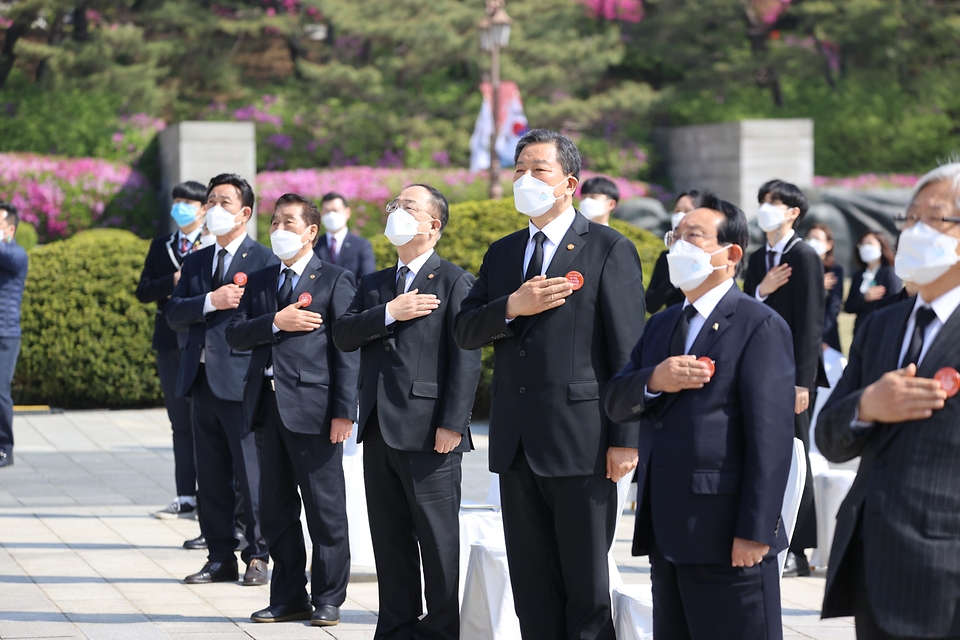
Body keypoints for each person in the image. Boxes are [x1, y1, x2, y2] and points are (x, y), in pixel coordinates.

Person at [454, 129, 645, 640]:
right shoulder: (503, 252)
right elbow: (465, 329)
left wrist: (626, 440)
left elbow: (629, 353)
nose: (526, 179)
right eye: (519, 170)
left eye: (538, 170)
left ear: (570, 184)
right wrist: (513, 306)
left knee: (585, 587)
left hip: (583, 442)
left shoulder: (608, 248)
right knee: (532, 587)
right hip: (515, 443)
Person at [604, 193, 795, 640]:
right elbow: (616, 399)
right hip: (666, 529)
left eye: (693, 237)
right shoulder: (663, 324)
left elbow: (771, 440)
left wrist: (755, 529)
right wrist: (656, 379)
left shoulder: (758, 325)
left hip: (728, 532)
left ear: (730, 254)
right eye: (675, 237)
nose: (678, 247)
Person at [816, 162, 960, 639]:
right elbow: (830, 437)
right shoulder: (882, 325)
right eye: (909, 218)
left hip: (945, 569)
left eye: (933, 219)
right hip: (871, 559)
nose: (914, 231)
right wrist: (866, 407)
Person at [333, 184, 482, 640]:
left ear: (433, 225)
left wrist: (453, 423)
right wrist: (389, 312)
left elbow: (467, 356)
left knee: (437, 542)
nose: (396, 211)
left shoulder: (455, 280)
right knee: (389, 537)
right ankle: (396, 626)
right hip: (378, 427)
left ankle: (440, 630)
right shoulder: (375, 284)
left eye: (408, 207)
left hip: (430, 432)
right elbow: (343, 334)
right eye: (393, 205)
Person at [225, 193, 359, 627]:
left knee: (325, 510)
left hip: (316, 412)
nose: (278, 230)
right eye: (274, 222)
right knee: (277, 511)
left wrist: (344, 411)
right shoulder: (261, 280)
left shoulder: (335, 279)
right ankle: (287, 596)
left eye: (288, 222)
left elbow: (347, 349)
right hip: (266, 409)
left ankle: (328, 597)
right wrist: (274, 323)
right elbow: (236, 335)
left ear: (310, 231)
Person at [166, 173, 278, 586]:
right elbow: (174, 314)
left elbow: (270, 319)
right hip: (198, 379)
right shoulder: (196, 260)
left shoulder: (264, 261)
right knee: (209, 474)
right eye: (210, 201)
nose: (214, 208)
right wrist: (210, 301)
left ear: (245, 212)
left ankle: (258, 554)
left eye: (224, 202)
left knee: (251, 475)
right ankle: (218, 556)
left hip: (243, 380)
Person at [742, 178, 825, 577]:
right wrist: (762, 288)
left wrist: (804, 382)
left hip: (792, 376)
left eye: (774, 202)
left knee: (796, 457)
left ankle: (800, 548)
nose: (765, 208)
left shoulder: (804, 254)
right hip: (760, 372)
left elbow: (811, 322)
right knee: (763, 453)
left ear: (793, 212)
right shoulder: (759, 258)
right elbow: (744, 302)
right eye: (763, 201)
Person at [136, 181, 207, 522]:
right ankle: (185, 495)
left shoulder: (211, 244)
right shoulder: (161, 245)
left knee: (206, 420)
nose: (181, 207)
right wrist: (173, 281)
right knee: (180, 421)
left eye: (188, 202)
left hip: (200, 341)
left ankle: (212, 494)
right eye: (177, 201)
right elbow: (143, 290)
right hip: (168, 340)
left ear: (203, 209)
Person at [0, 203, 27, 469]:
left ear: (10, 229)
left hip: (4, 333)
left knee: (0, 392)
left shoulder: (17, 254)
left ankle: (5, 448)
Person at [645, 190, 701, 313]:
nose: (680, 215)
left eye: (687, 211)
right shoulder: (666, 257)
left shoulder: (707, 256)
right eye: (677, 211)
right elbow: (650, 304)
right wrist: (674, 279)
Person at [843, 230, 903, 337]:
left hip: (881, 332)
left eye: (870, 243)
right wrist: (864, 298)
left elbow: (896, 303)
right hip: (860, 332)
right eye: (862, 244)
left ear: (881, 246)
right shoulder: (858, 275)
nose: (865, 247)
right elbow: (848, 307)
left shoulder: (889, 272)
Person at [314, 192, 377, 281]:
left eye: (335, 210)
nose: (331, 215)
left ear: (347, 212)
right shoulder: (314, 245)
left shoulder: (362, 245)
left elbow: (367, 278)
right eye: (327, 211)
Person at [806, 223, 844, 353]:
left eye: (817, 239)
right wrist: (816, 284)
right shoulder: (800, 268)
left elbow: (834, 306)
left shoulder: (834, 270)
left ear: (829, 244)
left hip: (826, 336)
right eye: (809, 238)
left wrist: (823, 338)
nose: (812, 242)